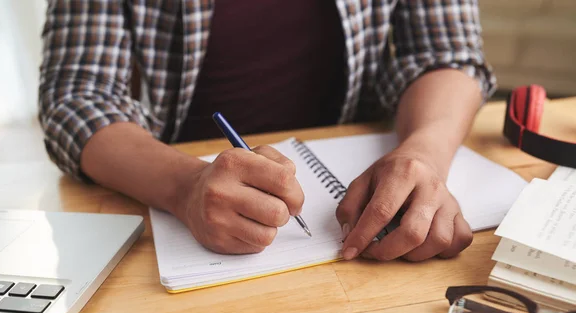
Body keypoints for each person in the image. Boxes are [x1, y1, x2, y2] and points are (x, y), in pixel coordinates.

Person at [38, 1, 496, 262]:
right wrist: (184, 186)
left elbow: (448, 52)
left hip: (359, 157)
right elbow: (78, 96)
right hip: (165, 176)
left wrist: (425, 153)